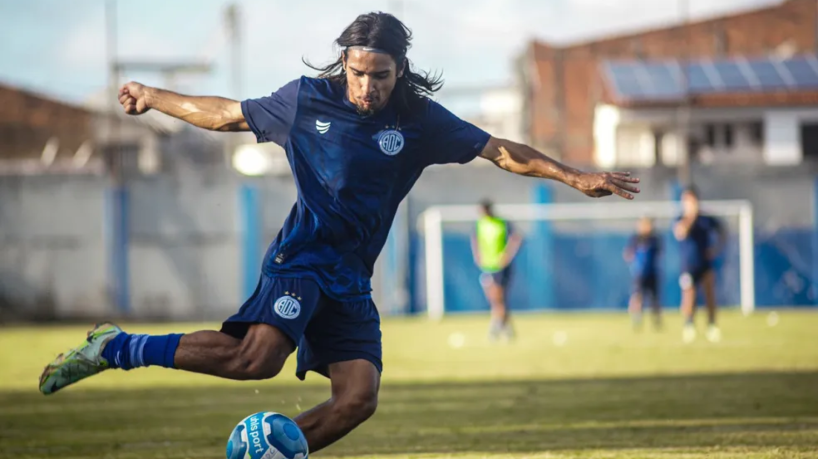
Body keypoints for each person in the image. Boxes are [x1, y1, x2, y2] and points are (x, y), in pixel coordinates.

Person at [38, 12, 640, 453]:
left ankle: (271, 450)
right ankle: (115, 347)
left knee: (358, 399)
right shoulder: (306, 102)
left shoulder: (420, 119)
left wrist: (573, 175)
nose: (366, 87)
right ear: (343, 63)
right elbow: (223, 114)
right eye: (357, 73)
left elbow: (500, 150)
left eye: (380, 76)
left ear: (399, 71)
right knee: (257, 361)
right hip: (302, 257)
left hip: (351, 277)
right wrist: (151, 95)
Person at [673, 186, 726, 343]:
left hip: (705, 262)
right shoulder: (680, 219)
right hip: (688, 264)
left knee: (709, 294)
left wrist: (716, 248)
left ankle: (712, 325)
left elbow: (722, 232)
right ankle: (689, 325)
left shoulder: (706, 219)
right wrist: (690, 216)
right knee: (689, 295)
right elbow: (680, 232)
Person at [471, 199, 522, 341]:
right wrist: (477, 255)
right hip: (486, 266)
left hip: (501, 266)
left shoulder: (502, 223)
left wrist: (507, 255)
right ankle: (507, 327)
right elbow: (474, 239)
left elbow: (516, 238)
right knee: (495, 299)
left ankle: (496, 327)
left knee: (498, 298)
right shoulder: (479, 224)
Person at [623, 217, 662, 331]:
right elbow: (628, 253)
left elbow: (659, 254)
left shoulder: (654, 239)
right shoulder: (635, 239)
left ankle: (657, 321)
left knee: (654, 299)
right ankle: (637, 319)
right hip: (639, 275)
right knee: (637, 297)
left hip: (652, 273)